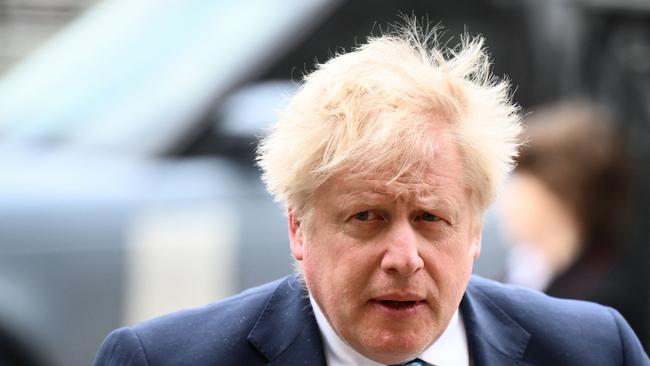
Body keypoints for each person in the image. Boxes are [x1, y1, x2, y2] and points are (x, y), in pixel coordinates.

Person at [94, 25, 649, 365]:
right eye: (366, 216)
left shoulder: (595, 351)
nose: (404, 258)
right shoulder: (162, 360)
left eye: (432, 217)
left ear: (476, 230)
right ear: (298, 228)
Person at [498, 101, 649, 350]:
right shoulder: (529, 270)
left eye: (520, 179)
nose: (506, 197)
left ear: (560, 196)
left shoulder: (602, 301)